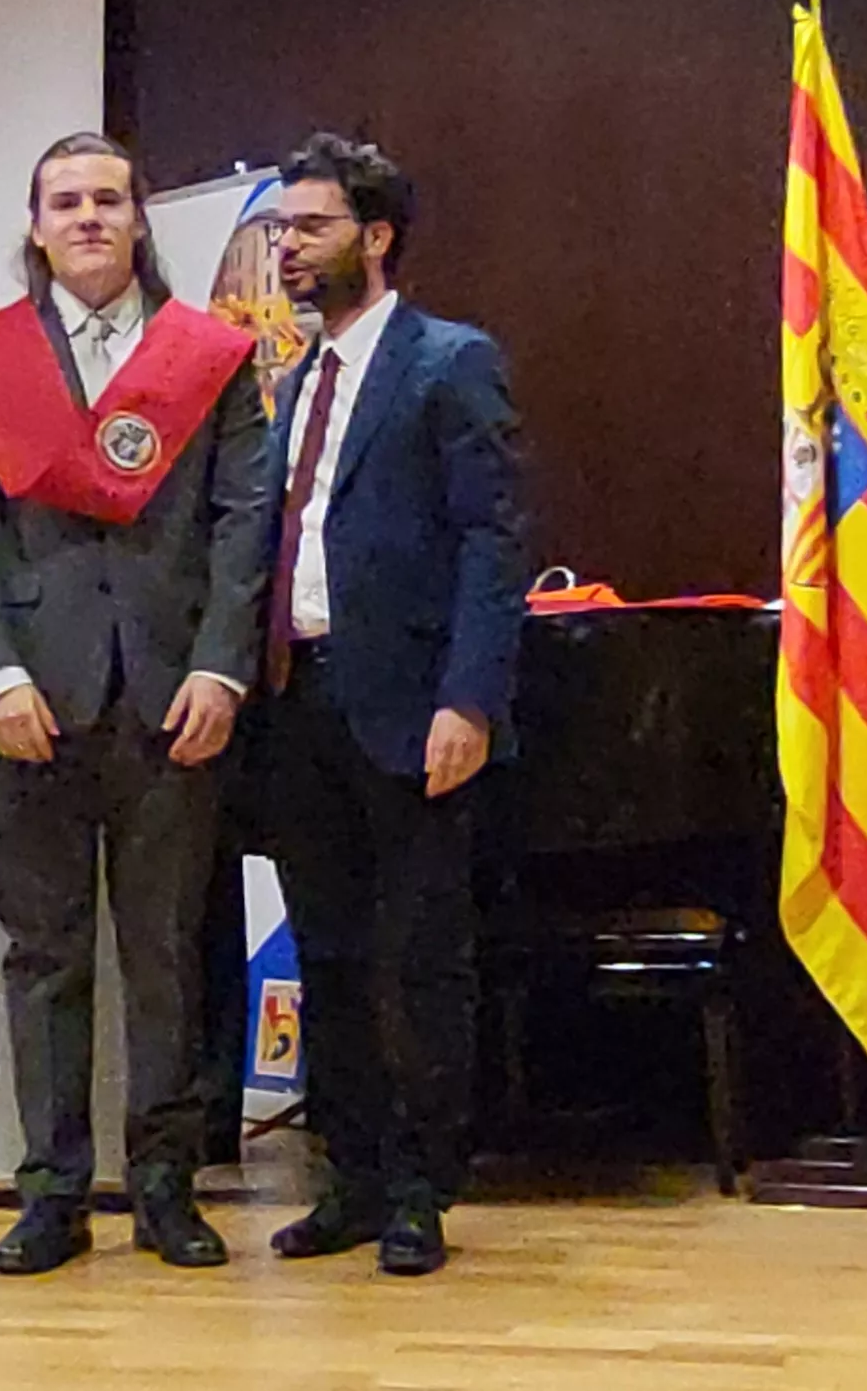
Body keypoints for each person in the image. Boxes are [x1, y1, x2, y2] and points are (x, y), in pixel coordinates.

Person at [0, 131, 276, 1274]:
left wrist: (222, 665)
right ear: (36, 226)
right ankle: (54, 1194)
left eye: (108, 200)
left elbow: (244, 523)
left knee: (167, 951)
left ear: (137, 221)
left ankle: (166, 1188)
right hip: (30, 706)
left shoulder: (209, 357)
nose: (86, 218)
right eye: (64, 201)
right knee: (44, 955)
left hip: (176, 701)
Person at [254, 133, 530, 1276]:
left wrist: (469, 698)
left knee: (420, 959)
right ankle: (350, 1180)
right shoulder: (292, 380)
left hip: (413, 708)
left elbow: (495, 538)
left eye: (309, 227)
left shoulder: (447, 360)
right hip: (299, 704)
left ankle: (421, 1190)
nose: (288, 248)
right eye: (279, 230)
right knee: (327, 953)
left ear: (374, 237)